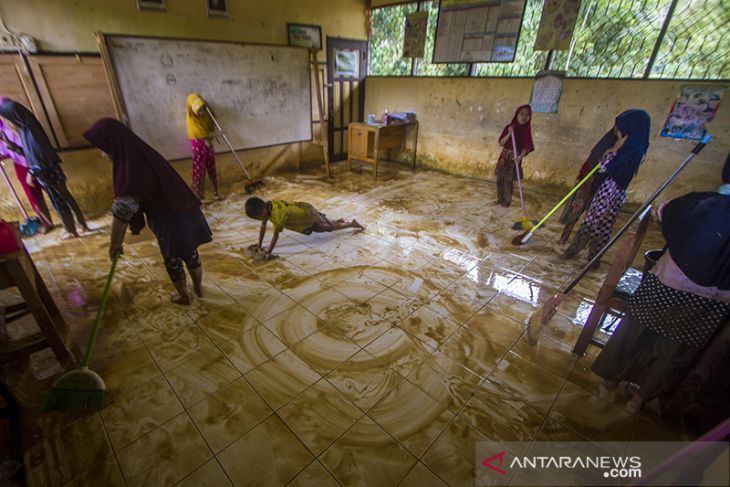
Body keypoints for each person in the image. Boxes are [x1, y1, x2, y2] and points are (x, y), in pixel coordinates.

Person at [592, 169, 730, 411]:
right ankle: (640, 397)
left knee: (636, 331)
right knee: (675, 349)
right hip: (715, 300)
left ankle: (610, 381)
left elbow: (662, 212)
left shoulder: (700, 204)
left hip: (669, 284)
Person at [84, 118, 212, 305]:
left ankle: (185, 296)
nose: (102, 154)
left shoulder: (130, 165)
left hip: (169, 219)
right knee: (190, 252)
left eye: (103, 148)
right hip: (186, 208)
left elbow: (124, 208)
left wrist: (115, 243)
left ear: (112, 144)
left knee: (173, 259)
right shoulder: (141, 152)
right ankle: (198, 289)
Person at [562, 109, 650, 266]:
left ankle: (575, 252)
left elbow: (604, 167)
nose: (617, 133)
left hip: (608, 192)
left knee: (592, 223)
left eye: (620, 129)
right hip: (615, 192)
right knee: (603, 226)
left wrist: (614, 149)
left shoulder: (630, 150)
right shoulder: (638, 148)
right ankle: (592, 259)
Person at [0, 98, 88, 240]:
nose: (8, 120)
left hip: (47, 171)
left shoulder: (31, 133)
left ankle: (70, 230)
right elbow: (27, 153)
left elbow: (38, 154)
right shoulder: (27, 128)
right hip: (50, 169)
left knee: (59, 200)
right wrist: (9, 143)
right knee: (66, 197)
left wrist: (31, 172)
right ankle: (82, 225)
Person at [244, 197, 363, 259]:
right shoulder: (269, 206)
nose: (260, 220)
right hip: (305, 208)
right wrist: (259, 245)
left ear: (262, 212)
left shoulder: (278, 214)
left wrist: (268, 252)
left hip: (307, 216)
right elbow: (263, 227)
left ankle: (351, 224)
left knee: (327, 227)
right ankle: (340, 221)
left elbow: (276, 235)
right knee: (324, 221)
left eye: (258, 218)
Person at [558, 129, 617, 244]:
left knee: (590, 219)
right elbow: (589, 161)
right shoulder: (599, 150)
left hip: (602, 190)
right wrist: (580, 177)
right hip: (587, 184)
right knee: (574, 213)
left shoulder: (621, 153)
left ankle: (579, 243)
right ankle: (563, 238)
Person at [0, 118, 54, 233]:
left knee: (53, 190)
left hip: (35, 161)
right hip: (20, 165)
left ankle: (70, 219)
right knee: (33, 196)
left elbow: (24, 148)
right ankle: (46, 222)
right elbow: (5, 152)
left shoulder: (12, 126)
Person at [494, 104, 534, 207]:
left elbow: (527, 146)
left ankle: (507, 201)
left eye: (527, 115)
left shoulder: (526, 130)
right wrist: (509, 133)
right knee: (499, 179)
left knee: (508, 180)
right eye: (522, 114)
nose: (524, 117)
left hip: (515, 157)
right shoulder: (509, 127)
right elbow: (501, 143)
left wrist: (521, 156)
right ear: (517, 115)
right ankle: (500, 199)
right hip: (504, 156)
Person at [186, 93, 220, 201]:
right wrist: (206, 137)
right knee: (199, 170)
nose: (201, 112)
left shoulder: (206, 114)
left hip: (208, 143)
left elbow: (213, 119)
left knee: (211, 168)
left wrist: (206, 106)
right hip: (199, 146)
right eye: (198, 110)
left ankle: (215, 192)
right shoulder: (191, 118)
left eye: (202, 109)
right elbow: (198, 133)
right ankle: (198, 197)